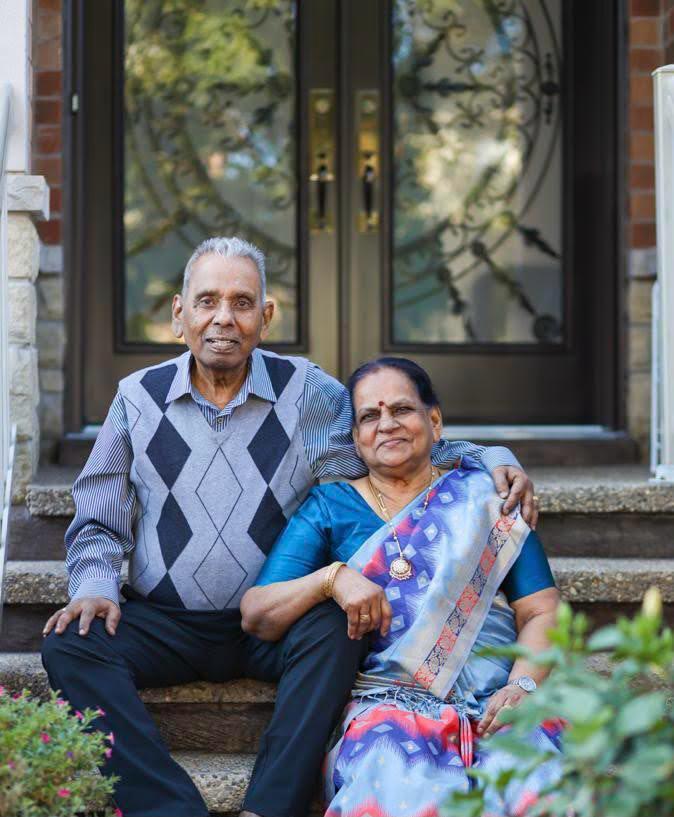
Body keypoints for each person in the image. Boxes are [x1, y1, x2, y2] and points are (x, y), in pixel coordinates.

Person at [41, 236, 537, 817]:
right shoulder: (137, 397)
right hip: (164, 619)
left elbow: (392, 440)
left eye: (242, 302)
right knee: (69, 645)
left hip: (272, 623)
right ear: (179, 315)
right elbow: (99, 514)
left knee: (339, 629)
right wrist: (94, 587)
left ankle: (269, 808)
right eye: (206, 301)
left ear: (266, 317)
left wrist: (490, 455)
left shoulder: (307, 393)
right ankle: (169, 810)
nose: (223, 318)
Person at [241, 357, 561, 817]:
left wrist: (522, 688)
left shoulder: (488, 500)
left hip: (498, 700)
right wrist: (331, 578)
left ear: (435, 421)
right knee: (396, 783)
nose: (386, 424)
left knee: (538, 788)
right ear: (356, 438)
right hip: (388, 707)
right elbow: (257, 612)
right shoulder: (331, 506)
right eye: (369, 416)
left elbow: (541, 611)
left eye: (402, 410)